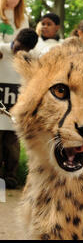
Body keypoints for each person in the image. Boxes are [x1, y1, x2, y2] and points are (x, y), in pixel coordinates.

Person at [0, 28, 38, 188]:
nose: (19, 52)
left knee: (12, 145)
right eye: (17, 47)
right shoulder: (2, 50)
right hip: (1, 103)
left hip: (14, 108)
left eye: (24, 50)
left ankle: (11, 176)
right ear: (14, 39)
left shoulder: (33, 58)